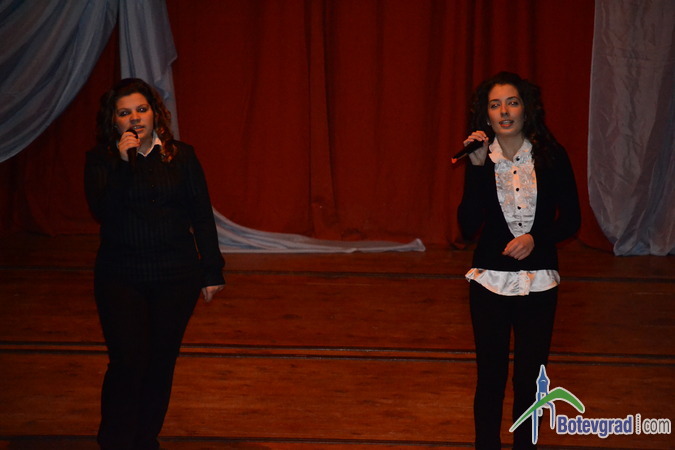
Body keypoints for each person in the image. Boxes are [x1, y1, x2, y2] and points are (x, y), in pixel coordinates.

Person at [84, 78, 225, 449]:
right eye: (124, 112)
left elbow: (201, 214)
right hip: (121, 276)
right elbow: (103, 211)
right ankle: (115, 441)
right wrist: (123, 164)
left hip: (176, 276)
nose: (135, 118)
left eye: (141, 109)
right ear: (113, 121)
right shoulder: (101, 160)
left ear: (155, 114)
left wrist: (212, 269)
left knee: (161, 363)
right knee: (127, 362)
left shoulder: (182, 156)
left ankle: (145, 439)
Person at [457, 72, 580, 449]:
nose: (504, 111)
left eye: (512, 102)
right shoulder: (481, 158)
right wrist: (478, 168)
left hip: (539, 283)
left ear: (526, 109)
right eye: (495, 105)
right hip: (489, 283)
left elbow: (571, 219)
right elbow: (467, 226)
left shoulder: (552, 156)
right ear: (486, 115)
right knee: (490, 377)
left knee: (530, 378)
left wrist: (535, 239)